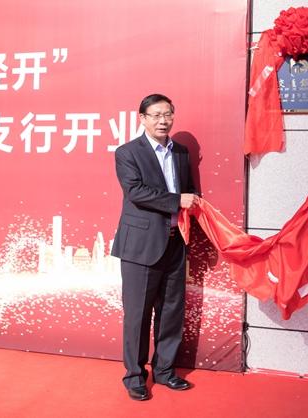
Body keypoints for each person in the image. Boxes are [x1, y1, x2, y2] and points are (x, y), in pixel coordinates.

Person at [111, 93, 199, 401]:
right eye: (156, 115)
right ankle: (135, 376)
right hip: (141, 246)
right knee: (138, 314)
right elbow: (135, 191)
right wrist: (177, 200)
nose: (163, 121)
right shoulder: (127, 152)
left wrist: (193, 203)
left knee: (171, 311)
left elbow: (190, 191)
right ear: (143, 119)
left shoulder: (181, 152)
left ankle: (164, 370)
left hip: (176, 242)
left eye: (168, 114)